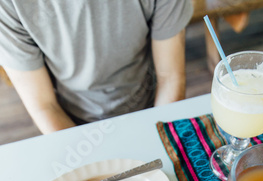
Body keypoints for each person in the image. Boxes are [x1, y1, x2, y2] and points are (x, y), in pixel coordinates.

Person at [0, 0, 193, 134]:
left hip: (150, 108)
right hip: (68, 121)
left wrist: (157, 135)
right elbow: (44, 106)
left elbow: (170, 78)